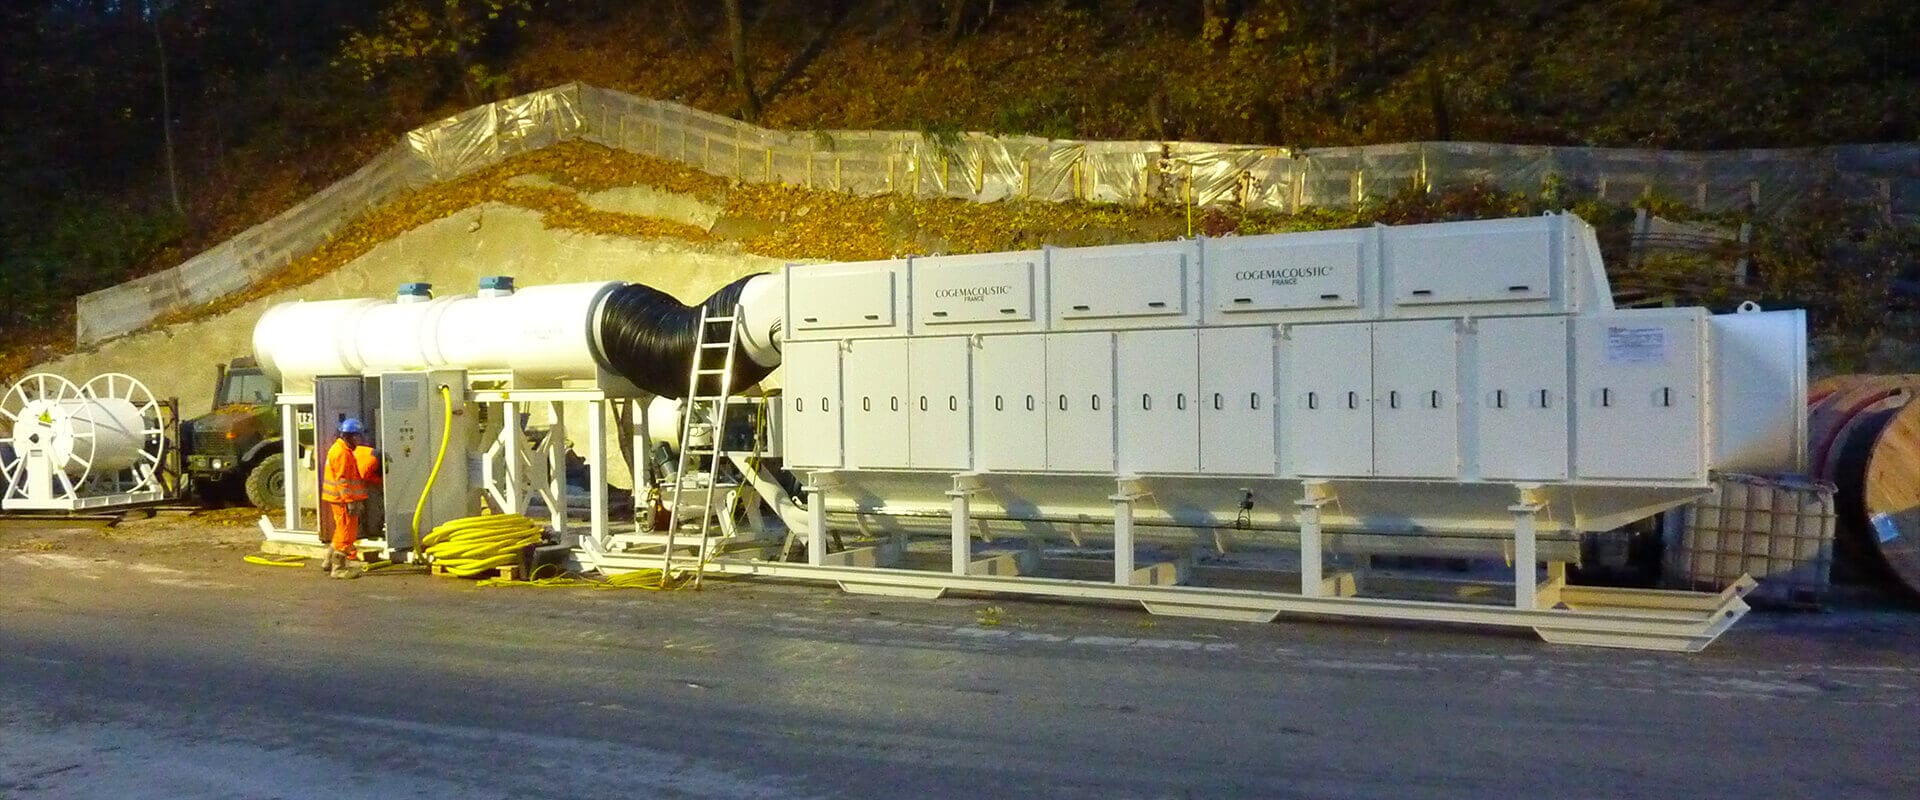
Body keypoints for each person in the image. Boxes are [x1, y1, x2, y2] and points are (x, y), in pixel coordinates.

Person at [320, 418, 378, 579]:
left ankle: (328, 560)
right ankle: (338, 568)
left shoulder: (341, 450)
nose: (359, 440)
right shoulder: (341, 453)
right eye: (357, 437)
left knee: (341, 531)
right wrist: (351, 501)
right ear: (348, 436)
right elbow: (342, 480)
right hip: (344, 500)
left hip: (340, 499)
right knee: (347, 535)